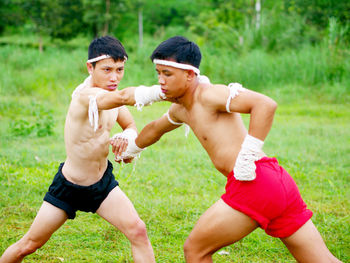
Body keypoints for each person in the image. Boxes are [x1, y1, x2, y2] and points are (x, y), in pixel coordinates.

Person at [113, 36, 342, 263]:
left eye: (168, 74)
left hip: (254, 182)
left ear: (190, 74)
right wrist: (130, 149)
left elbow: (265, 104)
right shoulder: (181, 108)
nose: (161, 81)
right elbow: (155, 129)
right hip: (276, 182)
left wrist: (248, 154)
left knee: (195, 250)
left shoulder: (209, 94)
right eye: (159, 73)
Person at [0, 35, 165, 263]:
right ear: (90, 67)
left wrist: (126, 137)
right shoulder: (84, 97)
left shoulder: (111, 96)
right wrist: (165, 90)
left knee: (138, 231)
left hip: (102, 185)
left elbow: (130, 124)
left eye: (119, 69)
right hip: (70, 186)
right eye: (107, 70)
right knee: (28, 245)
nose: (114, 77)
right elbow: (122, 97)